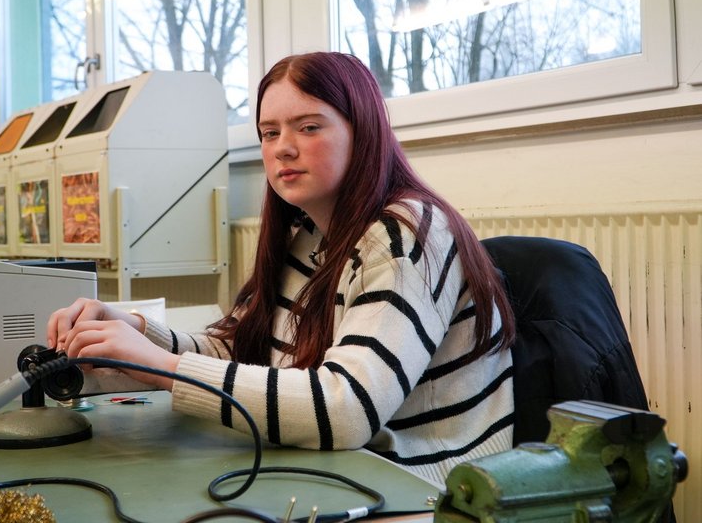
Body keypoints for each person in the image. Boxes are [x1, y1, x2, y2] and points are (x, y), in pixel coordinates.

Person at [47, 51, 516, 486]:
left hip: (424, 486)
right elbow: (245, 350)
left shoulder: (404, 235)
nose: (282, 149)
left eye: (308, 127)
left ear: (364, 132)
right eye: (269, 133)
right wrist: (131, 336)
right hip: (344, 467)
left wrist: (165, 368)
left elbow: (346, 410)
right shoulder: (313, 232)